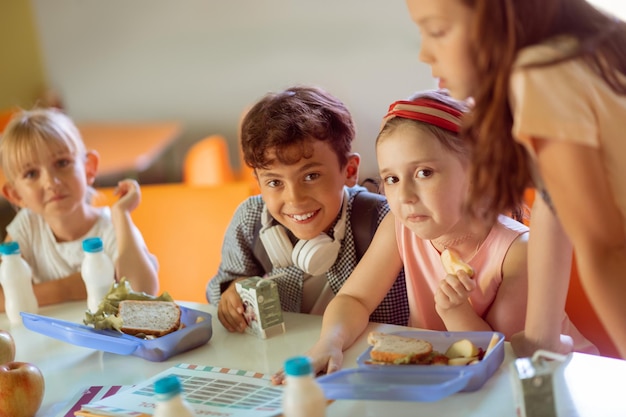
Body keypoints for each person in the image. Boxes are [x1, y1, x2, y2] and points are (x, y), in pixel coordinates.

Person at [271, 90, 596, 383]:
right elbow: (355, 299)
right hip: (456, 378)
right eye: (392, 178)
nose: (405, 195)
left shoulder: (517, 251)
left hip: (571, 382)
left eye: (424, 173)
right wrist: (329, 343)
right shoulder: (400, 227)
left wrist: (454, 310)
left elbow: (499, 354)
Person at [404, 0, 626, 358]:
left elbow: (607, 250)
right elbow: (552, 203)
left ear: (499, 17)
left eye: (438, 31)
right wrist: (542, 336)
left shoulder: (541, 74)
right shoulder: (573, 59)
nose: (424, 54)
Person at [206, 85, 409, 332]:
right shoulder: (250, 220)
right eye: (274, 182)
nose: (294, 199)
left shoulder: (382, 222)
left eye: (311, 176)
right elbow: (221, 287)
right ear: (258, 182)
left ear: (350, 171)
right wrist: (232, 291)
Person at [0, 108, 159, 311]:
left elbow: (143, 295)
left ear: (89, 168)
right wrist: (66, 289)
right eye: (31, 174)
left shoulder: (113, 227)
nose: (51, 182)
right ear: (16, 195)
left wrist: (122, 214)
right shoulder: (26, 227)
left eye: (62, 163)